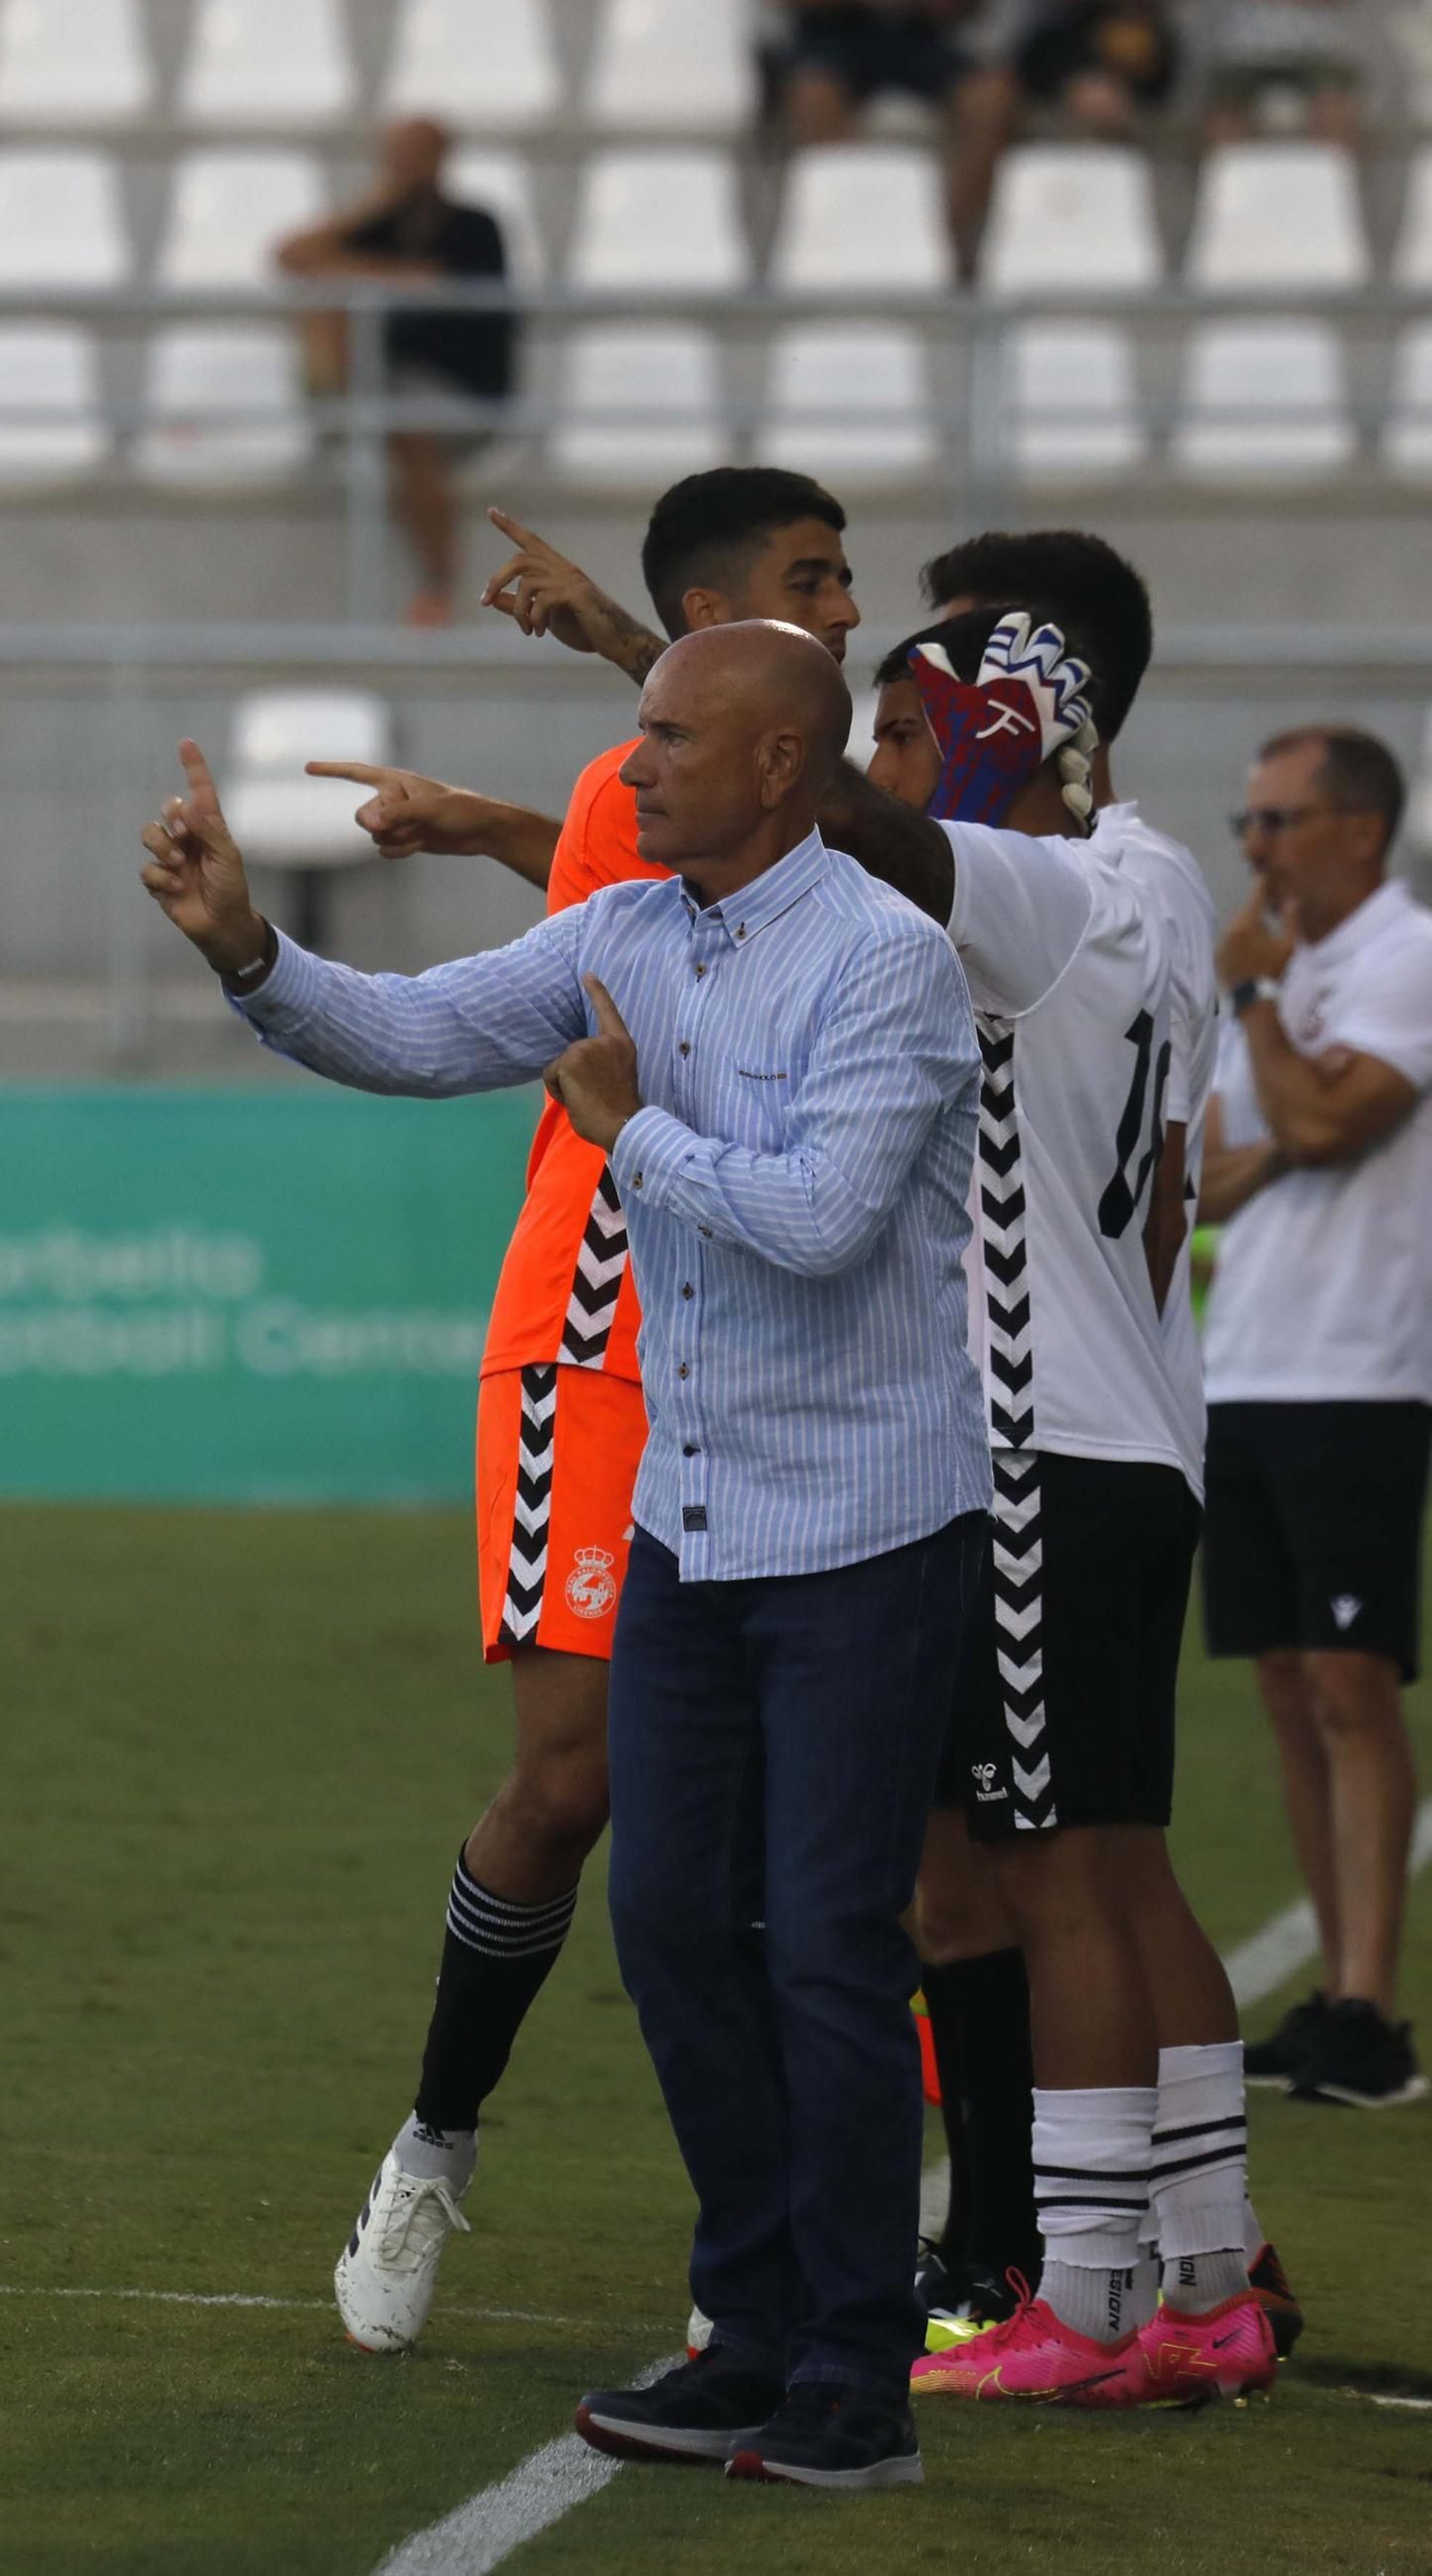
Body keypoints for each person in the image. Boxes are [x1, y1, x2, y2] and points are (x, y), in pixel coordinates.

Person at [140, 617, 994, 2495]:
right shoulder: (621, 931)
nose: (638, 762)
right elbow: (423, 1027)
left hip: (862, 1528)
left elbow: (831, 1224)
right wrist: (249, 955)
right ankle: (749, 2323)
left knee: (830, 1950)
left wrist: (634, 1137)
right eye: (636, 730)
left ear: (782, 764)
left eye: (671, 734)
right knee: (676, 1917)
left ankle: (853, 2373)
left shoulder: (890, 961)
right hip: (688, 1520)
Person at [304, 469, 867, 2359]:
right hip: (599, 1336)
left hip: (782, 1343)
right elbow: (591, 936)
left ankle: (801, 2254)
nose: (851, 602)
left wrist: (480, 814)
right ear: (717, 612)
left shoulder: (762, 818)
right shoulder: (651, 796)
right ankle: (434, 2135)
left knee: (806, 1829)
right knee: (576, 1779)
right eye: (811, 580)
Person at [857, 607, 1276, 2409]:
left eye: (896, 731)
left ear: (988, 739)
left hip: (1029, 1451)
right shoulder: (1152, 875)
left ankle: (1088, 2298)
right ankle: (1201, 2274)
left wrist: (908, 772)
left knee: (1047, 1884)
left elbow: (861, 836)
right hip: (1131, 1432)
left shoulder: (1021, 894)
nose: (873, 770)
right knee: (1120, 1863)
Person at [1200, 726, 1432, 2110]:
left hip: (1364, 1364)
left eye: (1281, 819)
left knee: (1352, 1680)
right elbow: (1225, 1169)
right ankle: (1339, 1994)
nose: (1257, 846)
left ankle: (1372, 2003)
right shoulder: (1299, 979)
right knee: (1286, 1681)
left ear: (1360, 826)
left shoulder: (1404, 954)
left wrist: (1257, 1012)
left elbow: (1330, 1126)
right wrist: (1298, 1104)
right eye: (1249, 818)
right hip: (1251, 1360)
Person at [276, 119, 515, 627]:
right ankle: (332, 406)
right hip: (389, 387)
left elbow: (435, 283)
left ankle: (439, 582)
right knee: (331, 320)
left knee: (408, 425)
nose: (407, 165)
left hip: (465, 394)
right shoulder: (381, 224)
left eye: (417, 153)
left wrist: (352, 271)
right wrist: (374, 205)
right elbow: (290, 256)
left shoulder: (476, 225)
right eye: (396, 154)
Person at [768, 3, 1023, 278]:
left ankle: (939, 247)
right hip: (831, 38)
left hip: (924, 38)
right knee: (812, 96)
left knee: (991, 98)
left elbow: (975, 9)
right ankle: (847, 238)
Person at [1202, 1, 1363, 149]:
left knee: (1336, 115)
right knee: (1224, 123)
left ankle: (1330, 175)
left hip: (1318, 51)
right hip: (1242, 52)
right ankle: (1234, 177)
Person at [1005, 2, 1181, 137]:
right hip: (1056, 120)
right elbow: (1029, 69)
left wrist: (1126, 96)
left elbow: (1167, 91)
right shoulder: (1062, 25)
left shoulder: (1161, 38)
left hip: (1135, 127)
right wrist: (1072, 86)